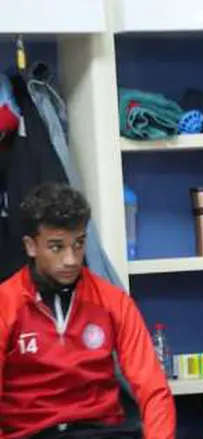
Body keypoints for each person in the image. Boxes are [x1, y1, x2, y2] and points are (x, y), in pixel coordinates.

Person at [0, 183, 176, 438]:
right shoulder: (6, 303)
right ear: (31, 246)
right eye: (56, 247)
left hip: (102, 432)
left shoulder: (112, 300)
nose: (71, 259)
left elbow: (154, 390)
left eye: (78, 244)